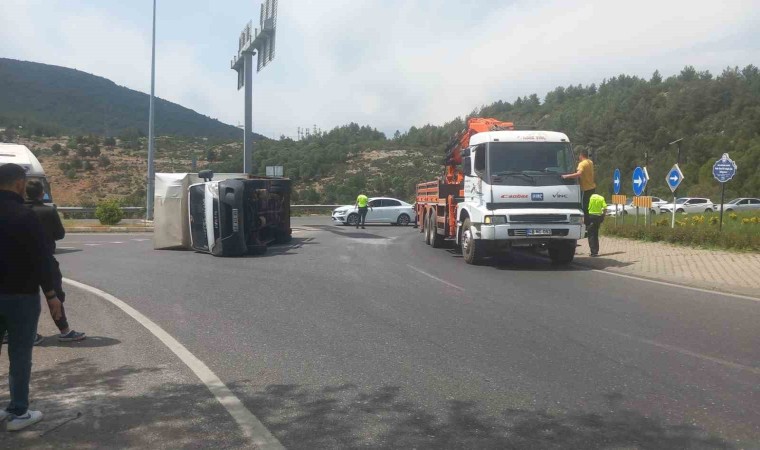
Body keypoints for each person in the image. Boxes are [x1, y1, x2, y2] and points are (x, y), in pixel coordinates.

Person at [0, 163, 63, 431]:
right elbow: (41, 260)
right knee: (20, 354)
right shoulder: (25, 217)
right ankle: (19, 412)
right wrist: (52, 295)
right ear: (19, 184)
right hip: (21, 297)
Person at [26, 180, 85, 342]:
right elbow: (59, 234)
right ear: (41, 193)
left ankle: (27, 333)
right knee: (54, 295)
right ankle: (64, 331)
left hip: (21, 262)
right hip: (45, 260)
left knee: (26, 298)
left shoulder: (18, 210)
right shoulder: (48, 211)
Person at [562, 149, 596, 221]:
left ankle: (586, 222)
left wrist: (567, 176)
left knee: (583, 207)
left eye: (579, 156)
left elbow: (579, 174)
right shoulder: (590, 162)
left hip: (585, 189)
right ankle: (589, 221)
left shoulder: (582, 164)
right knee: (588, 206)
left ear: (581, 155)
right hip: (592, 187)